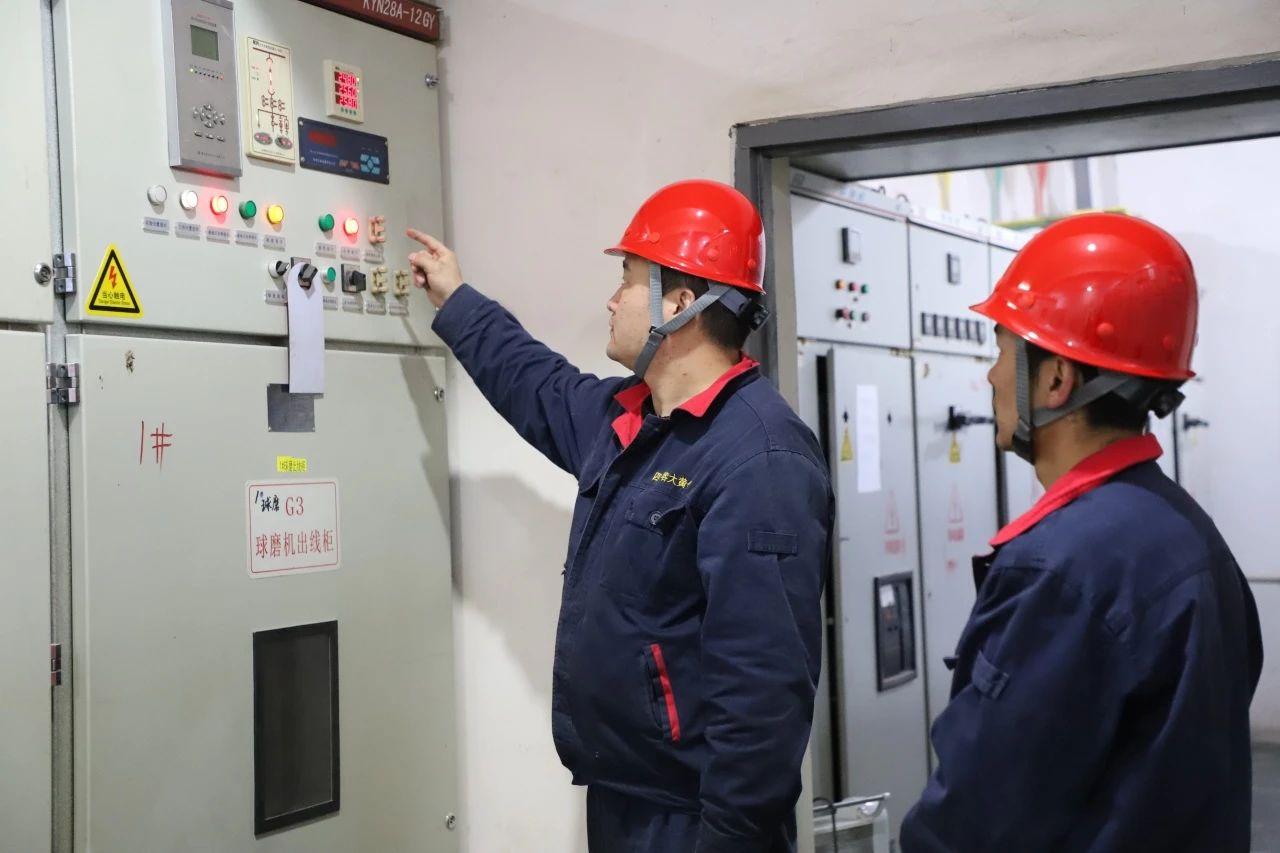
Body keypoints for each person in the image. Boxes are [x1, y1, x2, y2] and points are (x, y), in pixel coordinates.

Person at [407, 179, 833, 853]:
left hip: (696, 820)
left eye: (628, 280)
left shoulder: (761, 458)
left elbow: (763, 697)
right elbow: (538, 383)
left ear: (680, 303)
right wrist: (457, 300)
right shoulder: (630, 420)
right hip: (624, 800)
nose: (611, 300)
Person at [900, 212, 1263, 852]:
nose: (991, 377)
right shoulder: (1188, 532)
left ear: (1056, 379)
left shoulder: (1064, 568)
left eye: (1002, 350)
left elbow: (979, 818)